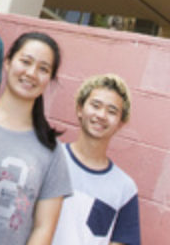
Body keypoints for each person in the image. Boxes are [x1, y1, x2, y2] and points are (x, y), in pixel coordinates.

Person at [0, 33, 72, 245]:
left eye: (43, 69)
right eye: (25, 62)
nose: (31, 73)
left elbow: (43, 228)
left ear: (49, 79)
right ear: (7, 63)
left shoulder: (50, 149)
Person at [51, 75, 141, 245]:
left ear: (120, 123)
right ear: (80, 108)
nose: (101, 115)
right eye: (95, 105)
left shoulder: (124, 189)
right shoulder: (51, 158)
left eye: (112, 111)